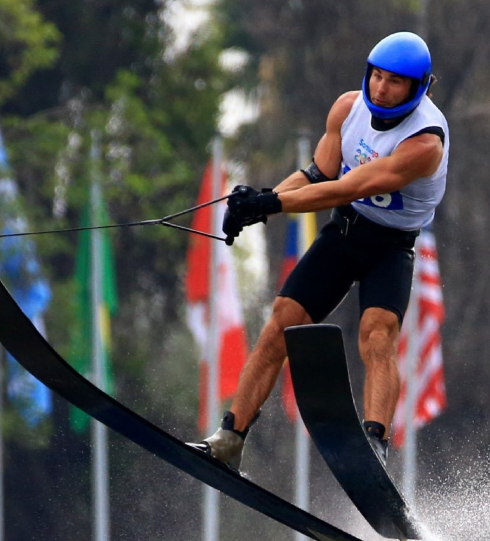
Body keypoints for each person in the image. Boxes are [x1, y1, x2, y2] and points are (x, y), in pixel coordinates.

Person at [190, 31, 449, 471]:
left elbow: (349, 186)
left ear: (419, 87)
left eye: (395, 82)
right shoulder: (348, 108)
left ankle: (374, 447)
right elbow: (317, 174)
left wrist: (271, 201)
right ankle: (229, 438)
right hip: (345, 234)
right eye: (377, 77)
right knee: (281, 324)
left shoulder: (425, 144)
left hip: (391, 248)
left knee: (377, 333)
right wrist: (255, 205)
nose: (381, 89)